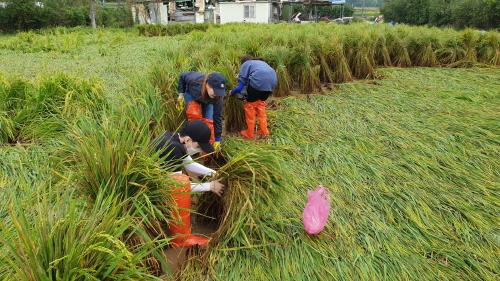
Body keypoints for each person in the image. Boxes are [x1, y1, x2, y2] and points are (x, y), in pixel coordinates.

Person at [151, 120, 225, 247]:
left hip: (152, 185)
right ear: (187, 140)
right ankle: (182, 239)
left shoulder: (174, 138)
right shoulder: (172, 148)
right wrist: (209, 186)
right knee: (182, 180)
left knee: (176, 179)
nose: (199, 150)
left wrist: (213, 173)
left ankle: (160, 217)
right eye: (198, 146)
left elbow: (189, 165)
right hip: (143, 188)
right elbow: (178, 187)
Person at [229, 55, 277, 139]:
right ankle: (264, 130)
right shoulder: (261, 63)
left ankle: (250, 133)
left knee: (250, 105)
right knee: (260, 104)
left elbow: (240, 88)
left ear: (243, 62)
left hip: (258, 84)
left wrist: (231, 92)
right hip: (271, 84)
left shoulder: (245, 65)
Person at [177, 72, 226, 147]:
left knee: (208, 124)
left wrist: (217, 139)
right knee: (194, 115)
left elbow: (217, 117)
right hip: (191, 95)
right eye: (216, 91)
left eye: (219, 92)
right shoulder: (194, 79)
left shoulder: (217, 98)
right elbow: (182, 76)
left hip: (207, 101)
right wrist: (181, 94)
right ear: (208, 85)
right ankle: (192, 143)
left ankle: (206, 150)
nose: (217, 94)